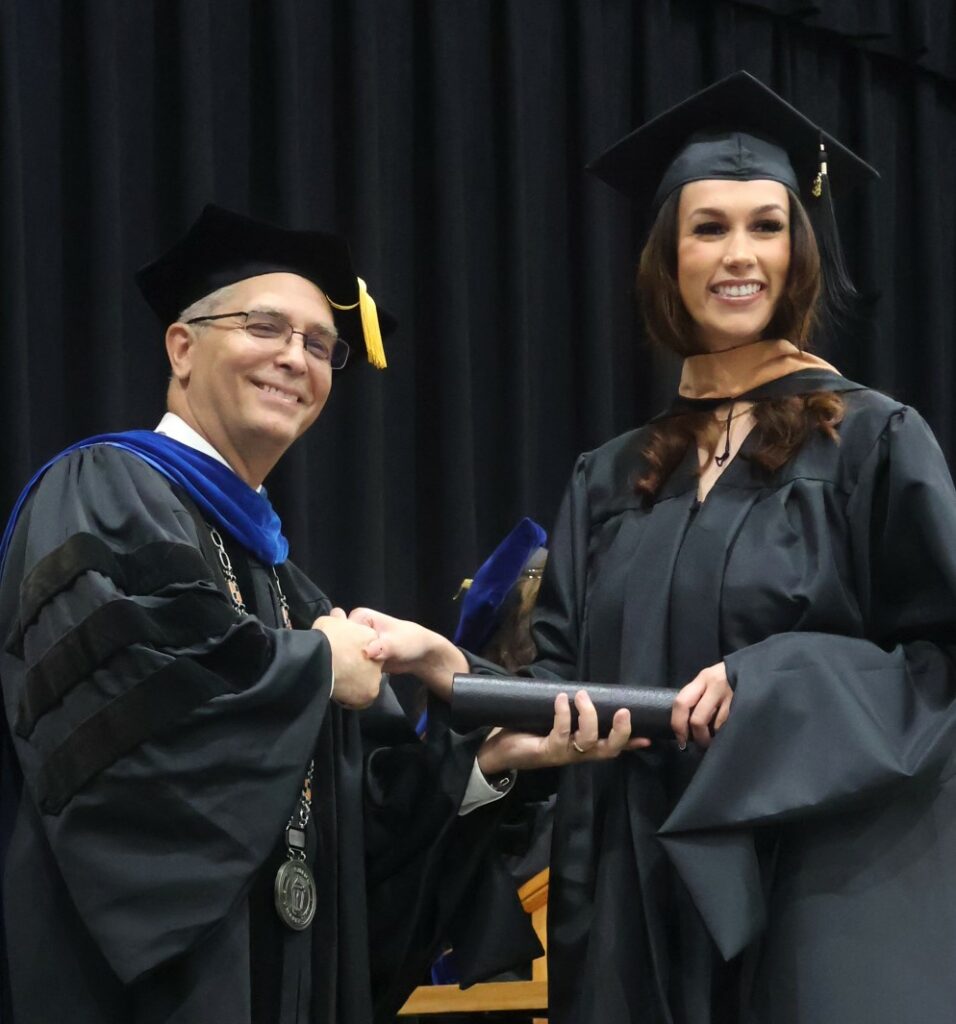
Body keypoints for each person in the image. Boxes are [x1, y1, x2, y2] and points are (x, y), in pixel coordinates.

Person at [350, 71, 956, 1023]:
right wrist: (455, 674)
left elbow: (939, 662)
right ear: (666, 258)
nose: (739, 255)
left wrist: (781, 678)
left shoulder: (873, 443)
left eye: (767, 225)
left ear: (801, 250)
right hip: (629, 906)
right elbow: (564, 679)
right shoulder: (615, 475)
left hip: (810, 898)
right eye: (707, 228)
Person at [0, 205, 537, 1024]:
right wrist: (317, 669)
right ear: (182, 347)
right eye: (265, 326)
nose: (295, 357)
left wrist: (481, 767)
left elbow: (361, 839)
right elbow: (133, 729)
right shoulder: (102, 492)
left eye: (320, 345)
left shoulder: (294, 591)